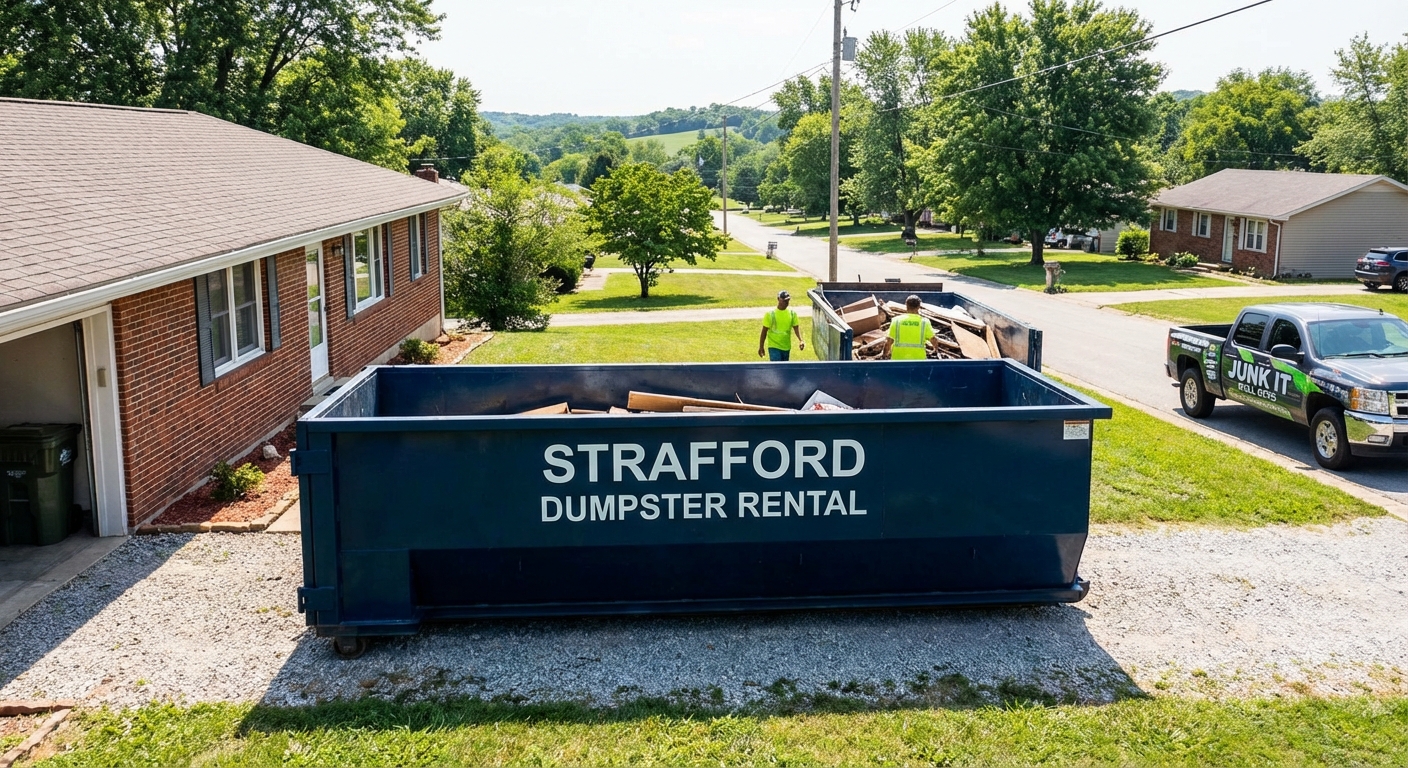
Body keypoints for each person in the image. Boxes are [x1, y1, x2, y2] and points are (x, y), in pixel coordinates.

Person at [758, 290, 805, 361]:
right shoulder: (770, 314)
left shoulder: (792, 314)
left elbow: (796, 328)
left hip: (786, 347)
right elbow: (764, 332)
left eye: (788, 300)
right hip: (774, 347)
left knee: (784, 370)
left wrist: (801, 340)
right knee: (777, 369)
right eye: (784, 301)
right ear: (778, 299)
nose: (786, 303)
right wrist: (761, 347)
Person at [884, 295, 934, 360]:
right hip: (919, 360)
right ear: (919, 307)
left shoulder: (896, 321)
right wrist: (935, 349)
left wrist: (884, 355)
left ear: (906, 306)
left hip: (898, 359)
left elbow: (889, 342)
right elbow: (933, 339)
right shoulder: (924, 322)